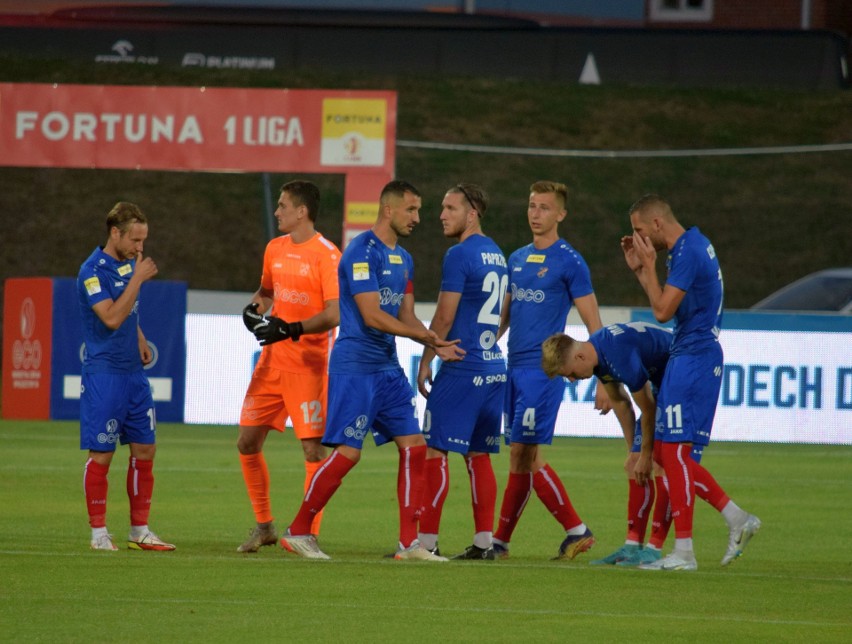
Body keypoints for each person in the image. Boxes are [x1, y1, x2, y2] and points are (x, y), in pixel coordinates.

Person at [278, 180, 465, 560]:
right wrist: (428, 340)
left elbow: (406, 315)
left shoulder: (405, 259)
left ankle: (408, 544)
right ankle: (298, 531)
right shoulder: (361, 252)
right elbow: (372, 315)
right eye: (411, 210)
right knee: (349, 452)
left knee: (414, 447)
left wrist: (432, 339)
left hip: (387, 367)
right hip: (356, 366)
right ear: (388, 210)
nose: (417, 218)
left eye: (418, 211)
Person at [621, 194, 761, 571]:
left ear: (655, 225)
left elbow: (663, 312)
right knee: (668, 455)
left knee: (676, 454)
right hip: (690, 354)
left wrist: (648, 267)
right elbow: (672, 307)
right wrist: (643, 271)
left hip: (695, 357)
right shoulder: (691, 246)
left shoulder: (686, 251)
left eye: (638, 231)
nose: (636, 238)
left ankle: (685, 553)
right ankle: (736, 518)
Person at [492, 180, 610, 561]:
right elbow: (505, 315)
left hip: (544, 374)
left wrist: (605, 378)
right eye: (531, 205)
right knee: (518, 456)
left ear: (561, 214)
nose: (535, 213)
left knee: (527, 454)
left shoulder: (570, 261)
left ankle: (574, 530)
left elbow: (594, 322)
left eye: (544, 207)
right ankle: (503, 542)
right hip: (513, 369)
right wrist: (484, 345)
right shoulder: (517, 258)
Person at [236, 180, 340, 553]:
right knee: (247, 442)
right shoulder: (274, 248)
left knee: (313, 451)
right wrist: (252, 312)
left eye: (282, 206)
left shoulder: (327, 255)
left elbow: (334, 313)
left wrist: (292, 328)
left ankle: (306, 533)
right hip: (271, 365)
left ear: (302, 212)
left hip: (309, 368)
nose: (277, 211)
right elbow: (265, 293)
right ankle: (264, 526)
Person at [416, 184, 507, 561]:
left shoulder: (459, 254)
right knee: (478, 456)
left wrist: (426, 357)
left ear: (472, 214)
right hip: (493, 366)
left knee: (436, 451)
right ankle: (485, 543)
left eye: (450, 208)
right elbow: (505, 312)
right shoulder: (498, 254)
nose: (442, 214)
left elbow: (444, 316)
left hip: (461, 366)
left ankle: (425, 544)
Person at [77, 201, 175, 551]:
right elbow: (111, 318)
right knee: (102, 453)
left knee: (145, 448)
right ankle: (98, 533)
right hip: (105, 376)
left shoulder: (127, 265)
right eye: (134, 239)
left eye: (144, 240)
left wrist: (140, 338)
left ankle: (140, 530)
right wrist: (136, 278)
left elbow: (128, 314)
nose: (140, 247)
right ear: (114, 233)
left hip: (134, 375)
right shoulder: (92, 272)